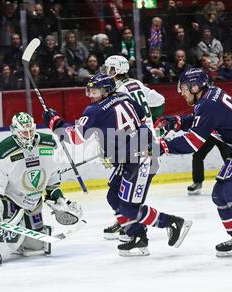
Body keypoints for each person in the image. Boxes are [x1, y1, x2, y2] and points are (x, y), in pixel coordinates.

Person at [42, 73, 192, 257]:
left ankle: (172, 222)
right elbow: (143, 118)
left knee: (130, 207)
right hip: (131, 157)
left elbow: (74, 137)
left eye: (95, 91)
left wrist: (54, 121)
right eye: (89, 90)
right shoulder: (124, 97)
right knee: (114, 196)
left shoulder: (94, 110)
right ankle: (136, 236)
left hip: (140, 160)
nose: (91, 95)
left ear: (106, 91)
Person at [157, 68, 232, 263]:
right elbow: (201, 121)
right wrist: (178, 122)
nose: (182, 92)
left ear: (196, 87)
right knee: (219, 194)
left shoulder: (207, 104)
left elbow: (192, 143)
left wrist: (163, 146)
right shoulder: (208, 98)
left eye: (185, 88)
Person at [0, 112, 83, 267]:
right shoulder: (4, 149)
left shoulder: (48, 143)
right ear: (14, 131)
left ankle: (19, 238)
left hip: (33, 202)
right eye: (24, 133)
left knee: (36, 248)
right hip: (11, 200)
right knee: (6, 237)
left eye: (31, 131)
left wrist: (58, 199)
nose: (28, 136)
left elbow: (52, 178)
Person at [102, 54, 166, 239]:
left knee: (126, 191)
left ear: (115, 70)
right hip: (144, 143)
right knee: (120, 189)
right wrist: (154, 125)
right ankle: (125, 220)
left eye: (109, 69)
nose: (107, 72)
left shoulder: (118, 91)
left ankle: (133, 225)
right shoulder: (137, 84)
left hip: (137, 147)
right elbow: (160, 100)